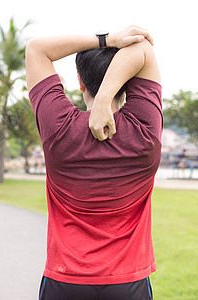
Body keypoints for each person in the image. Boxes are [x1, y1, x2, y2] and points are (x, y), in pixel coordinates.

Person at [26, 25, 160, 299]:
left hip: (65, 280)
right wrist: (106, 99)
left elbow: (36, 49)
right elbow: (143, 48)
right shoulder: (145, 132)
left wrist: (106, 40)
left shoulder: (58, 129)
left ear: (80, 81)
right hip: (128, 284)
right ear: (129, 80)